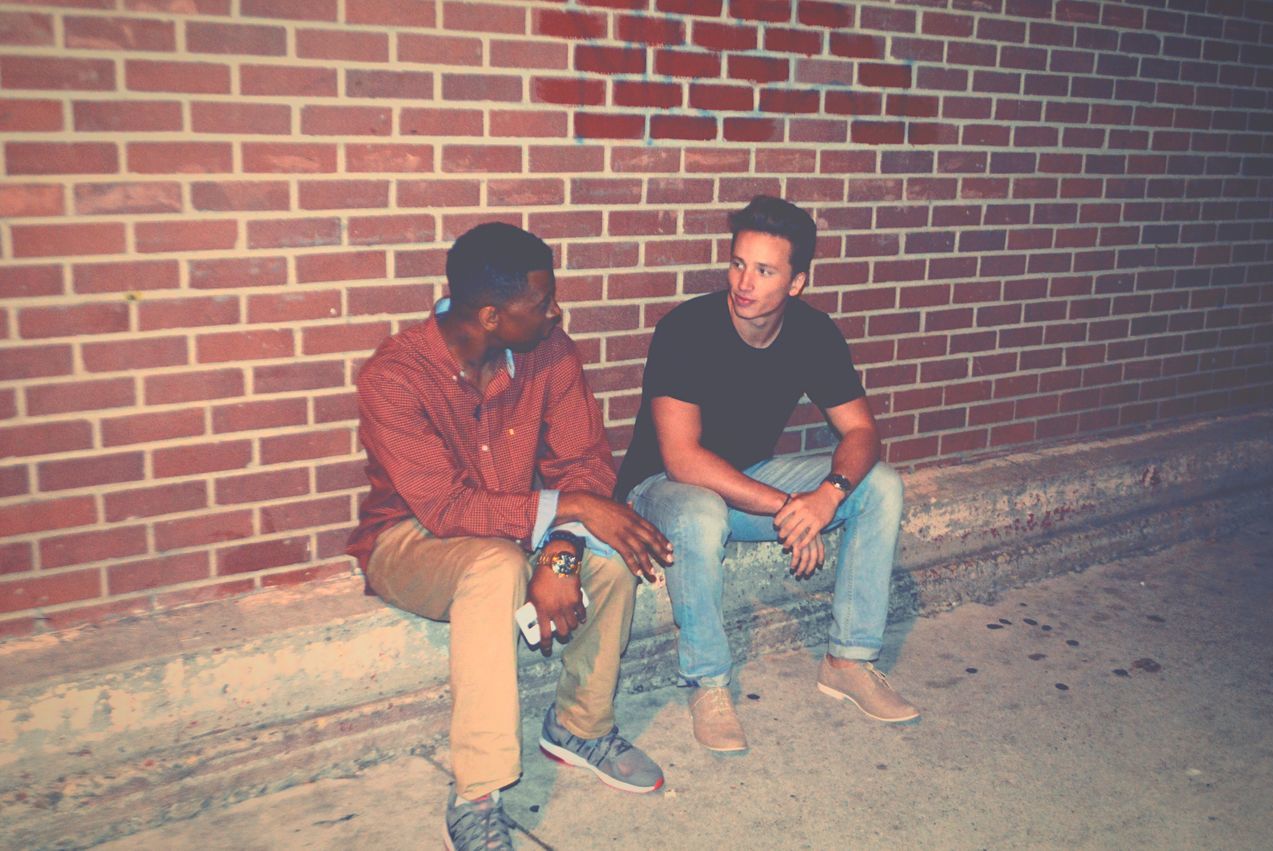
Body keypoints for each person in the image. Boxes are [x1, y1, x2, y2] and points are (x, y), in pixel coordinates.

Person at [347, 222, 673, 850]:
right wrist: (569, 509)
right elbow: (445, 507)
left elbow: (582, 464)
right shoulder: (395, 375)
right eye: (542, 302)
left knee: (612, 556)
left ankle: (579, 727)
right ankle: (477, 790)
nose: (557, 312)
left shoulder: (550, 350)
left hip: (520, 526)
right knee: (496, 566)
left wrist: (564, 548)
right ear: (491, 315)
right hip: (411, 540)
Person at [615, 195, 916, 754]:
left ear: (797, 282)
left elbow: (863, 434)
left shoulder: (814, 332)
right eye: (737, 263)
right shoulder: (685, 329)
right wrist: (788, 507)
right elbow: (682, 459)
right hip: (661, 489)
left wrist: (826, 497)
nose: (743, 282)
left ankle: (848, 661)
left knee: (881, 484)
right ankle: (708, 682)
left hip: (745, 476)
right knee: (702, 512)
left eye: (764, 270)